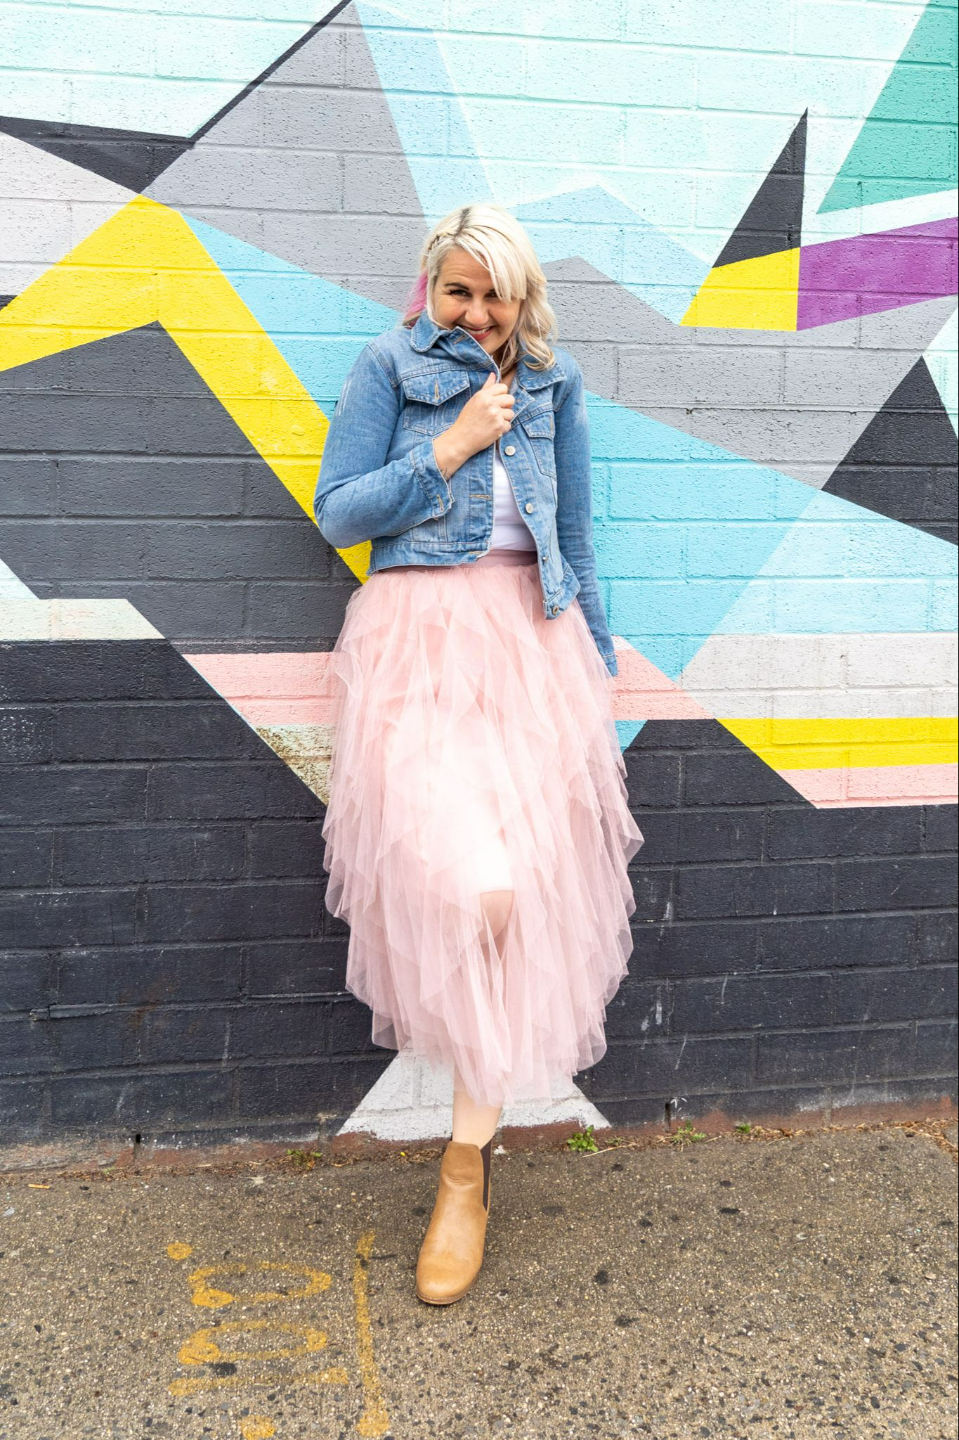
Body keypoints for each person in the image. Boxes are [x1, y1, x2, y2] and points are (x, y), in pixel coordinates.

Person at [313, 202, 644, 1305]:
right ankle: (469, 1150)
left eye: (495, 294)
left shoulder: (553, 383)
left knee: (523, 903)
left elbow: (575, 538)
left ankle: (465, 1168)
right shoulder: (387, 366)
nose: (477, 313)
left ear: (521, 296)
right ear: (431, 287)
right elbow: (337, 513)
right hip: (417, 647)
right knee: (480, 893)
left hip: (532, 654)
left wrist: (591, 666)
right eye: (458, 291)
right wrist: (448, 447)